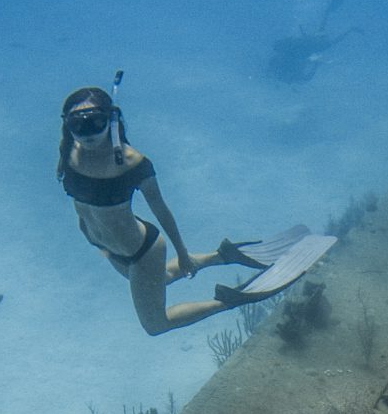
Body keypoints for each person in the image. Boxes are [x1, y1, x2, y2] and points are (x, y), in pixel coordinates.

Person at [57, 84, 263, 337]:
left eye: (96, 122)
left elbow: (162, 211)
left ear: (111, 120)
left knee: (155, 325)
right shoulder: (68, 150)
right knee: (160, 279)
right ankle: (220, 256)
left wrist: (183, 254)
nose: (87, 133)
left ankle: (229, 300)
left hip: (142, 250)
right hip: (106, 245)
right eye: (79, 124)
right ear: (67, 124)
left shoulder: (132, 163)